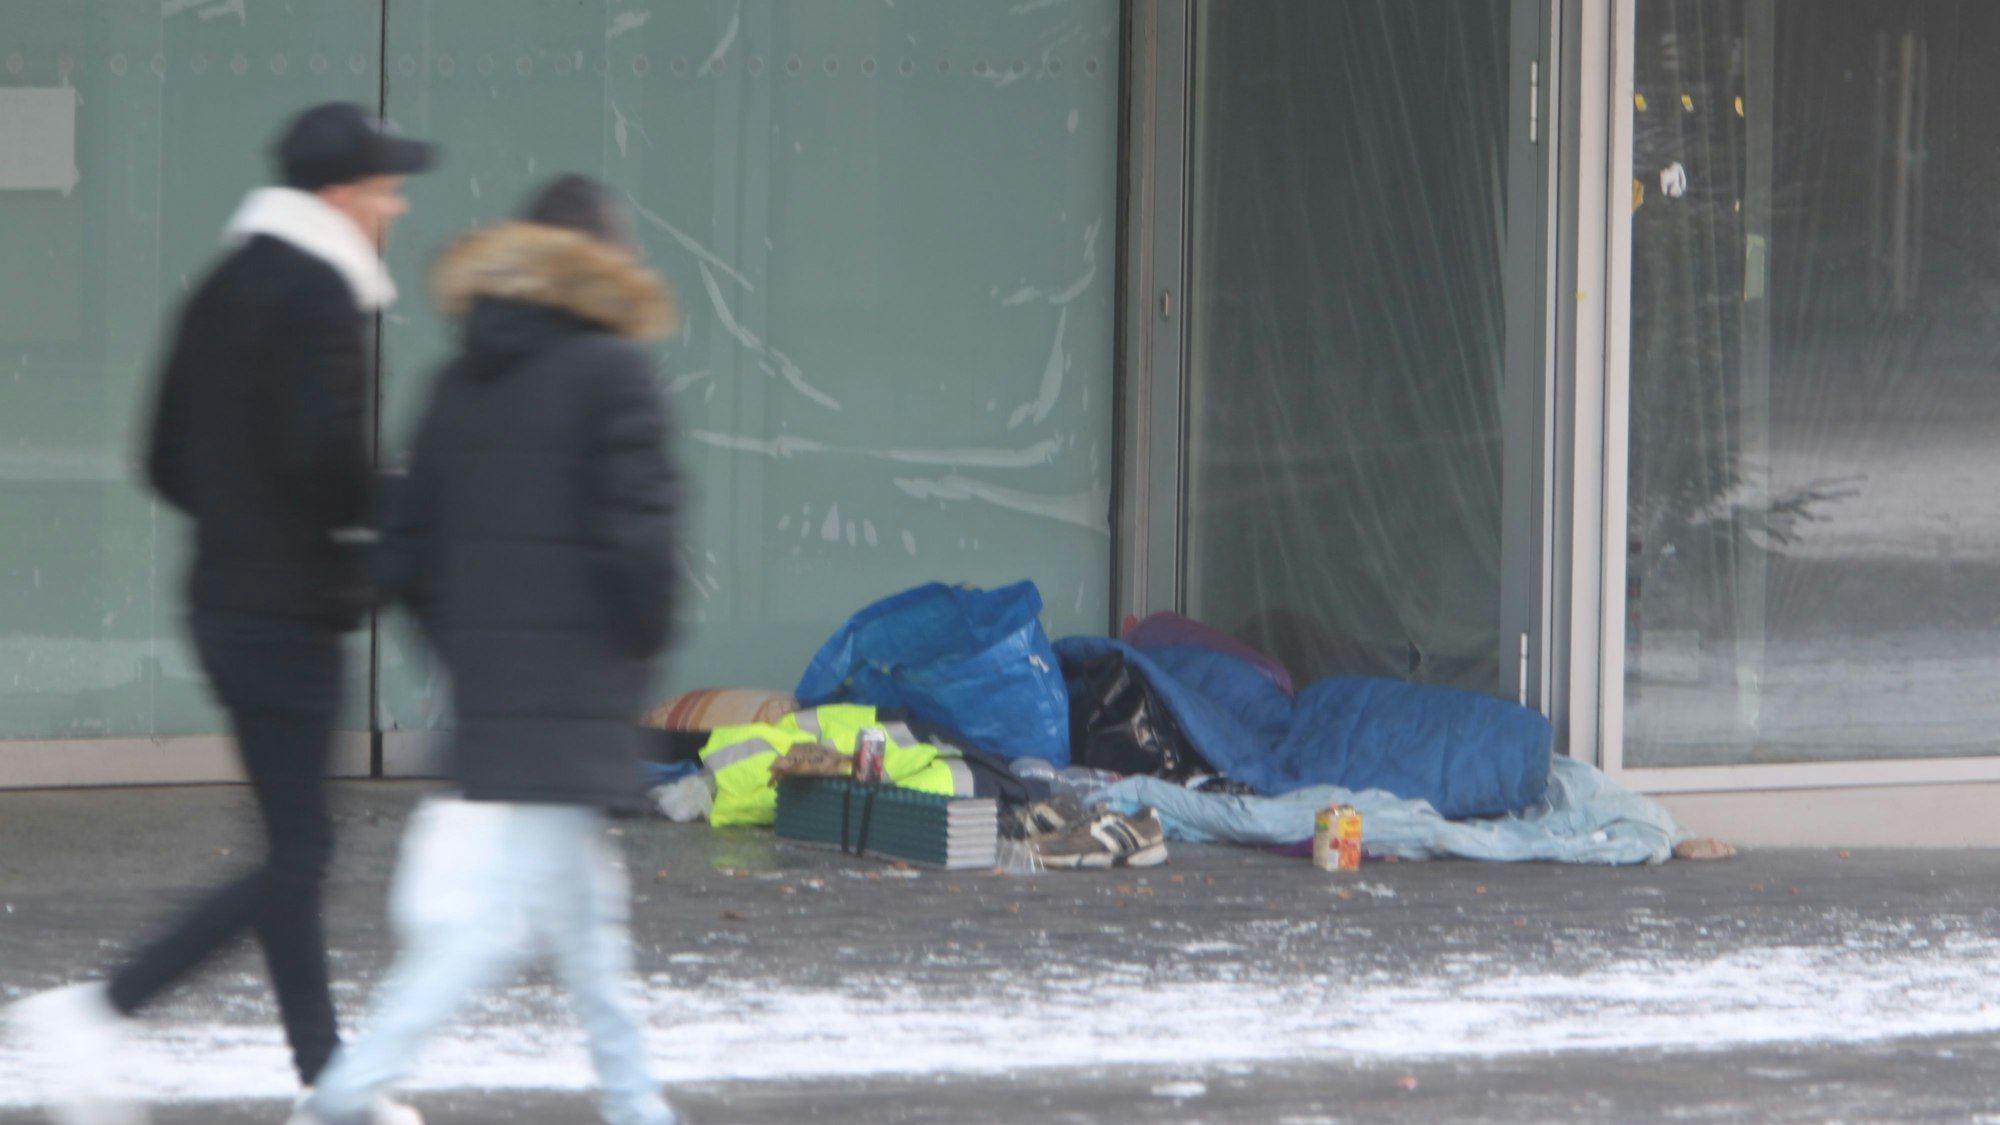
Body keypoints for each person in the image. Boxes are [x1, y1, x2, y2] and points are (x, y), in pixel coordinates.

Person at [5, 103, 434, 1125]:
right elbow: (324, 470)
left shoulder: (226, 281)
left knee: (295, 848)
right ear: (341, 195)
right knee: (297, 855)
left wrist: (245, 520)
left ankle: (327, 1082)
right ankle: (100, 1008)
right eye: (385, 186)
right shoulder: (320, 291)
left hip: (228, 604)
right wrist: (411, 504)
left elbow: (162, 456)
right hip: (286, 615)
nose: (396, 204)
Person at [290, 176, 684, 1125]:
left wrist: (468, 655)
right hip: (574, 698)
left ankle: (636, 1105)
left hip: (505, 704)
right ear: (598, 260)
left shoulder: (460, 379)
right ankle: (338, 1100)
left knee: (591, 922)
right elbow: (643, 548)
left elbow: (407, 551)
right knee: (492, 935)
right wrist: (640, 639)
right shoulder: (614, 372)